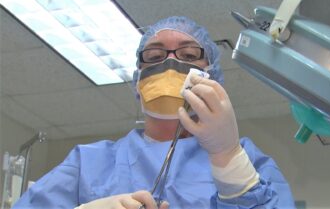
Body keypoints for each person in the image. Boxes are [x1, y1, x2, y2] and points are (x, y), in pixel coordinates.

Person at [13, 16, 295, 209]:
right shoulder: (88, 163)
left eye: (187, 55)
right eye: (155, 56)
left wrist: (228, 161)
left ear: (211, 75)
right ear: (138, 79)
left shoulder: (245, 159)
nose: (170, 63)